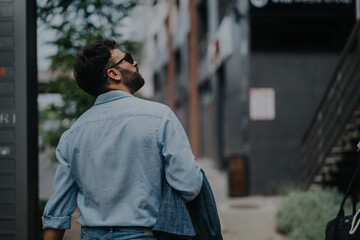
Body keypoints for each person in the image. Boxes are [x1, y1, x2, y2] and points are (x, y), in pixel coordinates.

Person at [42, 39, 203, 240]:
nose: (134, 63)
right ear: (114, 73)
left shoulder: (72, 135)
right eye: (127, 59)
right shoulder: (159, 116)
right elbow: (189, 185)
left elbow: (56, 212)